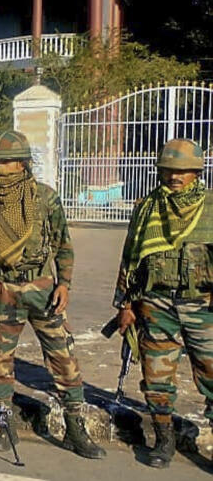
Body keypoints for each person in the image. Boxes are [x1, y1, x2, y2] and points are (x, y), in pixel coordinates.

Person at [0, 131, 104, 458]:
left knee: (63, 357)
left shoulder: (45, 198)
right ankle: (2, 425)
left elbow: (64, 244)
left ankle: (75, 428)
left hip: (42, 290)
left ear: (23, 162)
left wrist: (64, 284)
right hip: (1, 289)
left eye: (8, 161)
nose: (1, 168)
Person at [113, 138, 213, 468]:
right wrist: (125, 305)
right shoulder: (147, 208)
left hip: (203, 305)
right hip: (156, 304)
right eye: (169, 169)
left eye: (183, 170)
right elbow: (130, 258)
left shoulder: (209, 206)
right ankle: (164, 438)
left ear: (196, 172)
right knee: (156, 377)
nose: (175, 176)